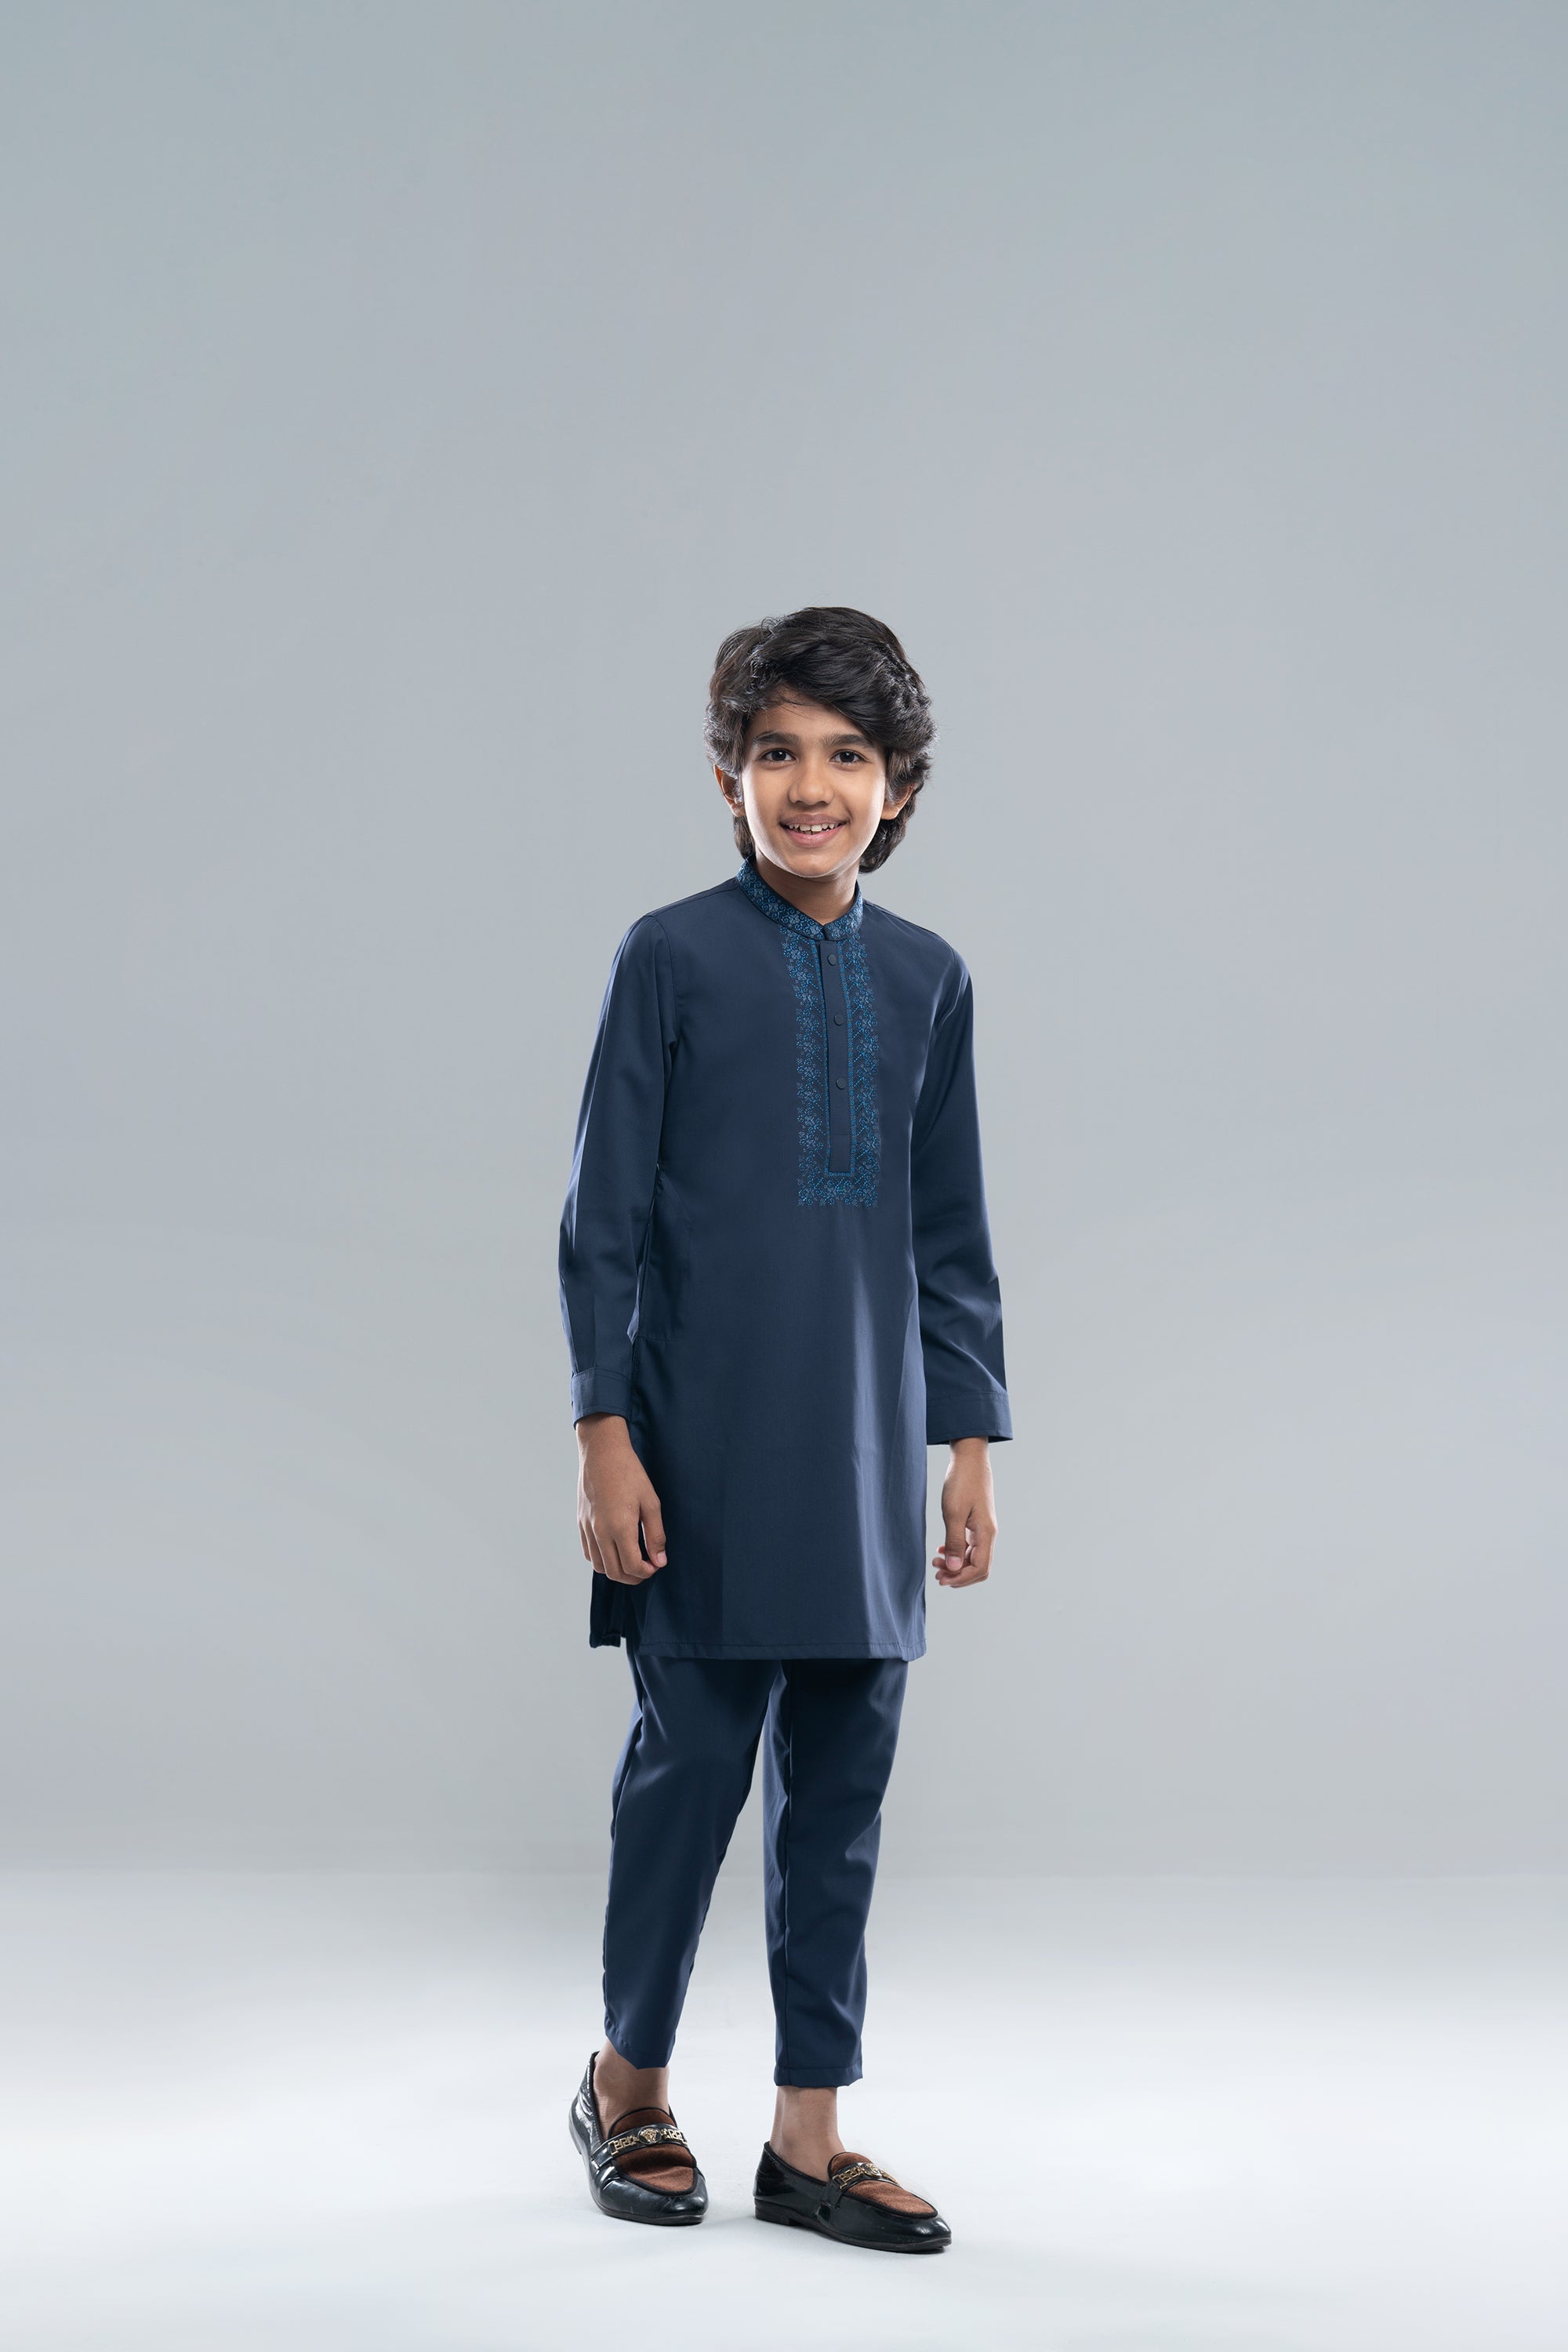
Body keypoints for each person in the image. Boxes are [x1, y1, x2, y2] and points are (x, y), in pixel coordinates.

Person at [560, 606, 1011, 2252]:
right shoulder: (669, 958)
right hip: (697, 1448)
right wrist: (603, 1432)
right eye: (776, 752)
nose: (810, 785)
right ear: (729, 776)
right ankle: (626, 2083)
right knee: (687, 1777)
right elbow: (600, 1221)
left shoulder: (928, 978)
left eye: (846, 755)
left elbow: (950, 1234)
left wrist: (966, 1448)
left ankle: (808, 2136)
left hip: (868, 1456)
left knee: (842, 1797)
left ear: (898, 790)